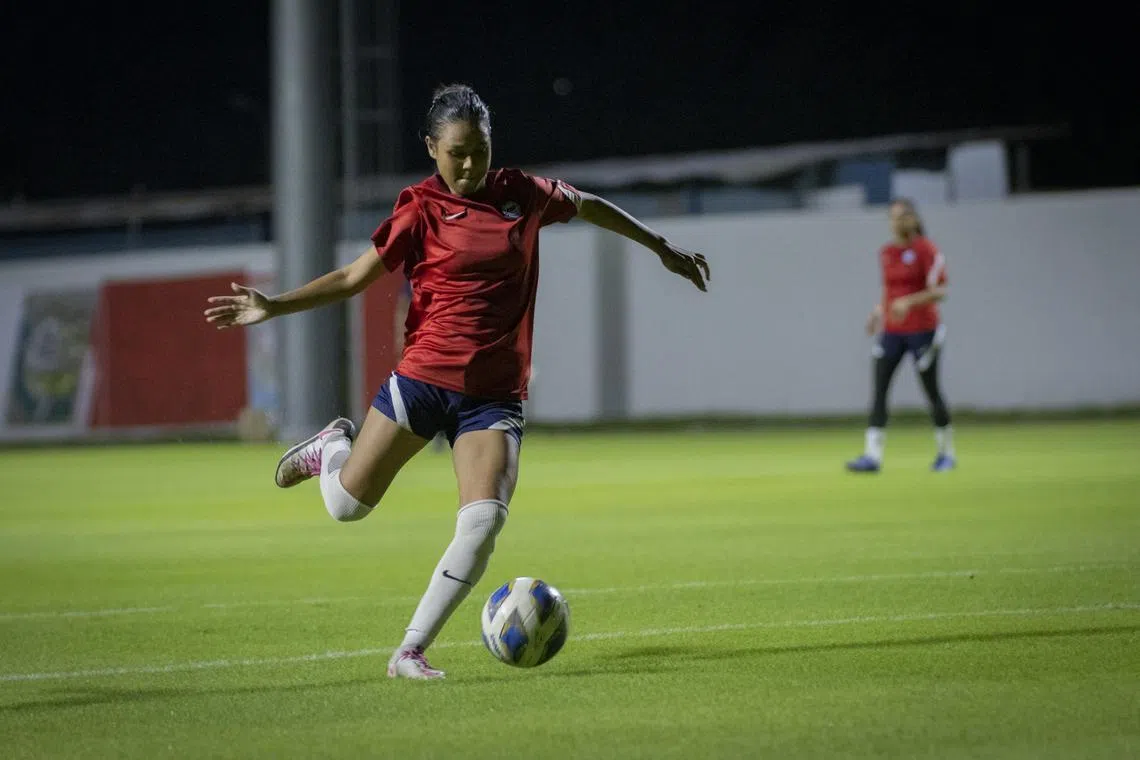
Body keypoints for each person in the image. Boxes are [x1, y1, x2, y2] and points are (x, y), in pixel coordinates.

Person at [204, 84, 710, 679]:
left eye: (479, 150)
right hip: (422, 380)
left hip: (493, 396)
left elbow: (591, 204)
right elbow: (353, 276)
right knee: (345, 507)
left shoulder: (523, 194)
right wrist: (274, 305)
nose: (469, 165)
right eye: (455, 153)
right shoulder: (418, 209)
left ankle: (409, 652)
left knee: (484, 520)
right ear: (431, 149)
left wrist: (660, 246)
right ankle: (330, 447)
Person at [846, 198, 955, 473]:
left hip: (923, 330)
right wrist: (878, 312)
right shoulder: (887, 253)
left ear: (914, 219)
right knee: (880, 389)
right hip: (893, 331)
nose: (897, 222)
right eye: (893, 217)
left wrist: (909, 302)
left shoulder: (926, 250)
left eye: (903, 216)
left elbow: (941, 290)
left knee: (931, 391)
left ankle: (946, 452)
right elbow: (890, 292)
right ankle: (872, 455)